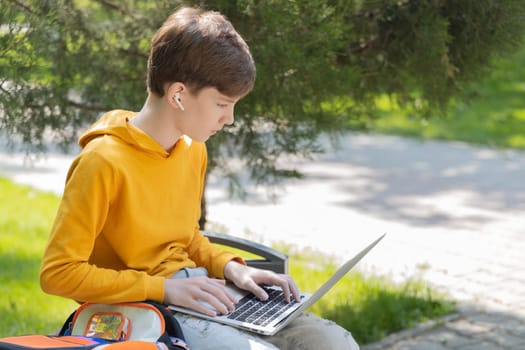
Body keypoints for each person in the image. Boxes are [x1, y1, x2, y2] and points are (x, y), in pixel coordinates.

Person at [40, 6, 359, 350]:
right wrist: (164, 289)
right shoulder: (103, 161)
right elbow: (59, 273)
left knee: (334, 342)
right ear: (178, 94)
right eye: (222, 104)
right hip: (143, 308)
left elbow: (187, 238)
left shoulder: (192, 149)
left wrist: (232, 268)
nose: (230, 119)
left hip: (199, 290)